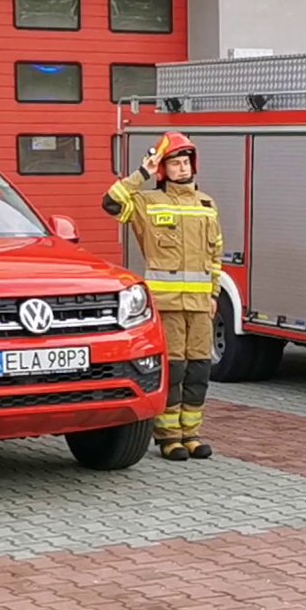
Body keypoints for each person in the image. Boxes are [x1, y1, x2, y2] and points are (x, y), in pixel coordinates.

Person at [101, 132, 223, 461]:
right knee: (174, 370)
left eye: (185, 163)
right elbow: (111, 201)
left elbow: (215, 257)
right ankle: (168, 437)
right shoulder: (146, 203)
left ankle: (192, 434)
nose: (182, 169)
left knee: (198, 371)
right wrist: (143, 171)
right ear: (163, 169)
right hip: (166, 305)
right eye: (175, 163)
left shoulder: (207, 205)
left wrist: (213, 295)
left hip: (199, 308)